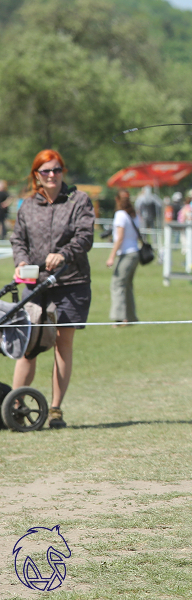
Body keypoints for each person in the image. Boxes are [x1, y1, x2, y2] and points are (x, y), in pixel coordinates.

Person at [10, 149, 95, 429]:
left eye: (56, 169)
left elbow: (85, 236)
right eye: (45, 170)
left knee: (62, 342)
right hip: (35, 285)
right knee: (28, 345)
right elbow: (18, 239)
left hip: (71, 282)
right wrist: (21, 262)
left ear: (63, 172)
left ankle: (56, 409)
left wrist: (64, 254)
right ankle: (16, 405)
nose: (51, 175)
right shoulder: (27, 205)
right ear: (36, 174)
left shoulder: (78, 200)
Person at [106, 189, 141, 326]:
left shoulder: (120, 214)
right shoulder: (133, 214)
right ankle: (131, 317)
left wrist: (111, 257)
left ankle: (120, 318)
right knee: (127, 286)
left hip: (126, 253)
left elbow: (119, 238)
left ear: (117, 200)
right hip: (135, 252)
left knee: (117, 284)